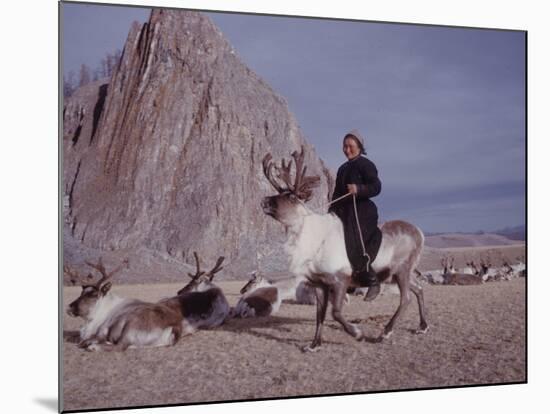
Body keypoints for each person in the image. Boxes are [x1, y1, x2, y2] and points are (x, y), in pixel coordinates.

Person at [329, 130, 382, 301]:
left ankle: (373, 280)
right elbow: (337, 194)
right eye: (344, 146)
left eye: (350, 146)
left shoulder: (366, 165)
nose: (347, 149)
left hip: (363, 213)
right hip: (345, 213)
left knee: (355, 243)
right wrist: (331, 212)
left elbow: (376, 187)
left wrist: (359, 189)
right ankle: (351, 281)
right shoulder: (342, 169)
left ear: (359, 147)